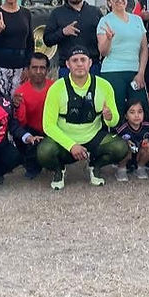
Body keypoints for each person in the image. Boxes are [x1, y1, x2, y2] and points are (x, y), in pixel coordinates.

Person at [37, 47, 126, 190]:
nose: (79, 64)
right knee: (44, 152)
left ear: (90, 63)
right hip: (65, 139)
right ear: (67, 64)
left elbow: (115, 121)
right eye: (75, 60)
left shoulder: (104, 86)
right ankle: (59, 170)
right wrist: (71, 145)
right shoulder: (56, 88)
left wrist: (109, 117)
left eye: (83, 60)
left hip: (93, 137)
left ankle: (94, 165)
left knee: (120, 147)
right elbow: (48, 125)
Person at [96, 0, 148, 118]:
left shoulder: (137, 20)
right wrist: (108, 39)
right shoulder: (105, 21)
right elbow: (103, 52)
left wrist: (141, 72)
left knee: (140, 109)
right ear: (109, 2)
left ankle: (140, 138)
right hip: (113, 72)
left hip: (135, 72)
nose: (120, 0)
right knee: (116, 111)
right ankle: (116, 138)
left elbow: (144, 49)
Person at [44, 0, 102, 75]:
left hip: (93, 66)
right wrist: (63, 32)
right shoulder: (57, 13)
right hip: (67, 68)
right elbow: (47, 40)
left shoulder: (95, 12)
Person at [11, 52, 55, 179]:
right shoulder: (20, 92)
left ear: (47, 70)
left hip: (52, 129)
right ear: (28, 70)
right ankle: (31, 166)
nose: (38, 71)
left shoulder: (55, 87)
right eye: (34, 68)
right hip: (32, 130)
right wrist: (17, 107)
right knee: (20, 133)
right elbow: (21, 121)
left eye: (42, 68)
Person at [114, 100, 149, 181]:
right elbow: (115, 143)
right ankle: (121, 169)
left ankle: (140, 167)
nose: (137, 115)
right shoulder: (122, 129)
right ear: (126, 116)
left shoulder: (148, 127)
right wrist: (125, 142)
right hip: (125, 156)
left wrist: (148, 141)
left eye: (140, 112)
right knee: (123, 146)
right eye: (132, 112)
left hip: (139, 155)